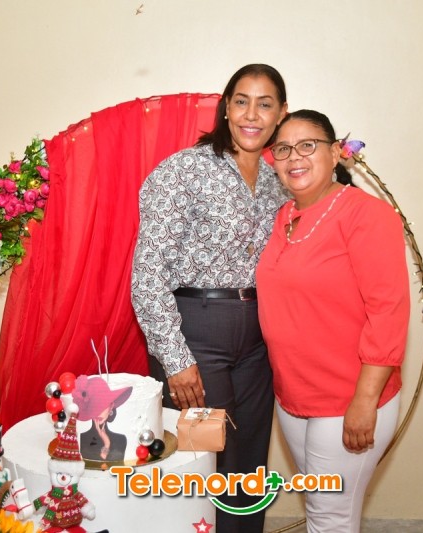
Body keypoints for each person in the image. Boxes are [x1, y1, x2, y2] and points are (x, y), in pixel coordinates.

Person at [131, 64, 289, 533]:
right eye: (242, 101)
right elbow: (148, 273)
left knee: (249, 459)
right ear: (225, 108)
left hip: (259, 338)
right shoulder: (183, 170)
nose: (252, 115)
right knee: (201, 461)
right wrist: (176, 359)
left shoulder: (279, 179)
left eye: (265, 104)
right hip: (196, 333)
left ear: (281, 114)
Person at [256, 109, 410, 532]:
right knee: (320, 510)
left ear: (336, 153)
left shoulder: (367, 214)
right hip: (295, 395)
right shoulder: (284, 216)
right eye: (283, 149)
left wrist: (364, 401)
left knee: (330, 520)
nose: (294, 157)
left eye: (308, 145)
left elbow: (388, 311)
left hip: (347, 397)